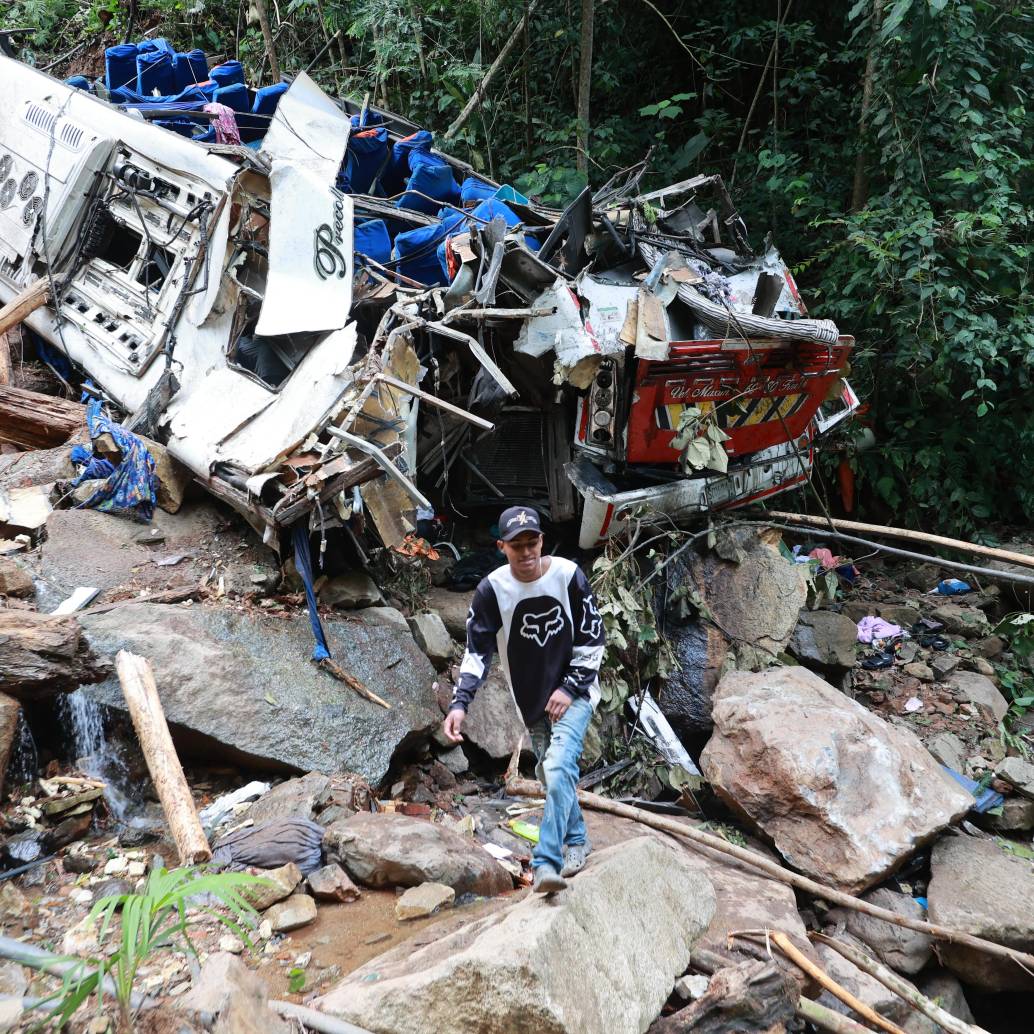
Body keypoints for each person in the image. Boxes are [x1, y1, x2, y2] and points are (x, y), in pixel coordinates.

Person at [442, 505, 605, 893]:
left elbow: (592, 638)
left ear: (541, 541)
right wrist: (460, 702)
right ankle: (578, 841)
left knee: (561, 763)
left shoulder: (568, 576)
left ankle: (548, 864)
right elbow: (477, 652)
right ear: (502, 547)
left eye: (532, 543)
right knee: (552, 774)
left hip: (575, 691)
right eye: (518, 547)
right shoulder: (492, 591)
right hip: (531, 700)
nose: (527, 553)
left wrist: (570, 687)